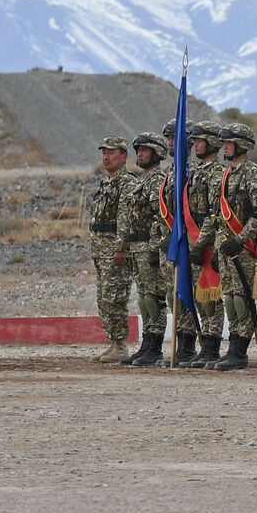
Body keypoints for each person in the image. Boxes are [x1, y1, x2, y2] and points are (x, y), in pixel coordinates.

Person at [199, 123, 257, 371]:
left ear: (243, 145)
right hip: (225, 246)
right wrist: (219, 246)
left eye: (229, 143)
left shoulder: (252, 174)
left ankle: (240, 351)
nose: (224, 147)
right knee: (229, 297)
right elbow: (218, 214)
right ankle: (232, 348)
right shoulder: (227, 174)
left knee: (241, 299)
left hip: (243, 248)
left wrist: (239, 239)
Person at [182, 121, 228, 368]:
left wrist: (201, 243)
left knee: (212, 296)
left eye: (200, 140)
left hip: (208, 240)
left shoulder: (217, 173)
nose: (195, 145)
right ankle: (204, 344)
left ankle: (212, 345)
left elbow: (214, 213)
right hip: (194, 238)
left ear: (212, 143)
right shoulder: (197, 172)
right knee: (201, 296)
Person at [88, 137, 137, 363]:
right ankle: (114, 342)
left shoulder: (126, 183)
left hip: (114, 250)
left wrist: (121, 247)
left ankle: (120, 345)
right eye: (103, 153)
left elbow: (125, 219)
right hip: (102, 248)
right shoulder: (107, 182)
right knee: (104, 297)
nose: (105, 157)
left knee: (115, 297)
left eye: (111, 153)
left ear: (124, 156)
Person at [123, 132, 169, 367]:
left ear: (157, 153)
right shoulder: (144, 180)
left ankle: (155, 346)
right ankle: (147, 344)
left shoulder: (157, 180)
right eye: (138, 150)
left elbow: (161, 218)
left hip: (149, 248)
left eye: (145, 150)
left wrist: (154, 249)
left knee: (154, 298)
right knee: (144, 298)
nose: (139, 154)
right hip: (137, 246)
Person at [157, 119, 199, 366]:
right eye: (169, 138)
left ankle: (187, 347)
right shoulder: (171, 171)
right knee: (174, 295)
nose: (170, 143)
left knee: (186, 294)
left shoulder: (189, 170)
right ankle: (180, 345)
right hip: (169, 243)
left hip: (189, 243)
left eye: (175, 138)